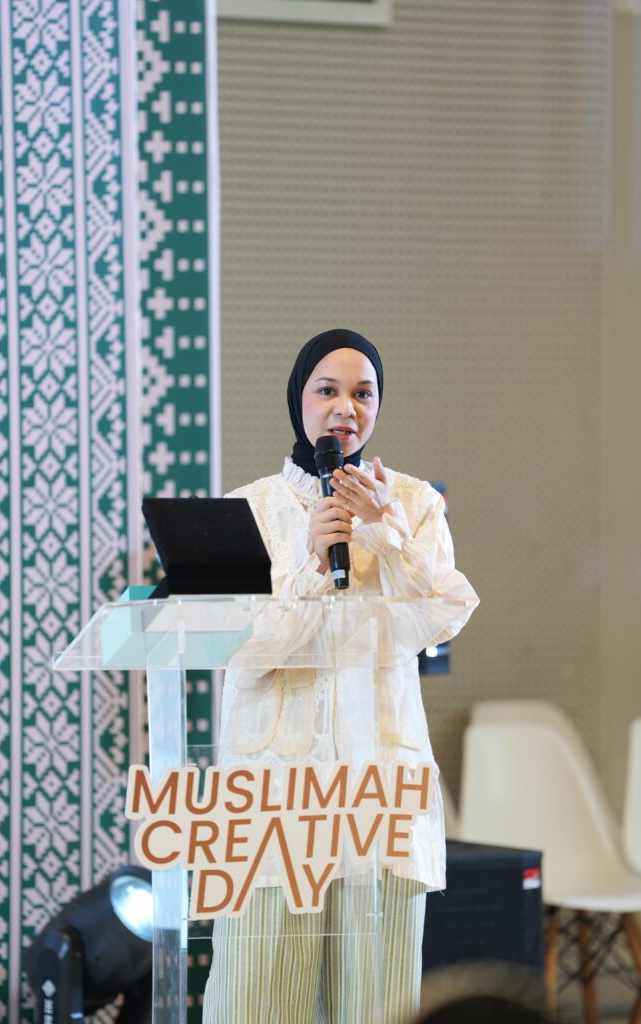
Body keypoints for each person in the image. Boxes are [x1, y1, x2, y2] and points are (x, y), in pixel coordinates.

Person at [202, 328, 479, 1024]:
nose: (345, 408)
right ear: (298, 398)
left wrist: (383, 531)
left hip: (380, 794)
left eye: (363, 393)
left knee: (377, 1008)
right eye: (327, 390)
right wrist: (309, 560)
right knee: (255, 1007)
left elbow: (440, 618)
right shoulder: (248, 508)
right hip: (271, 802)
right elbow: (244, 649)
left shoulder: (413, 503)